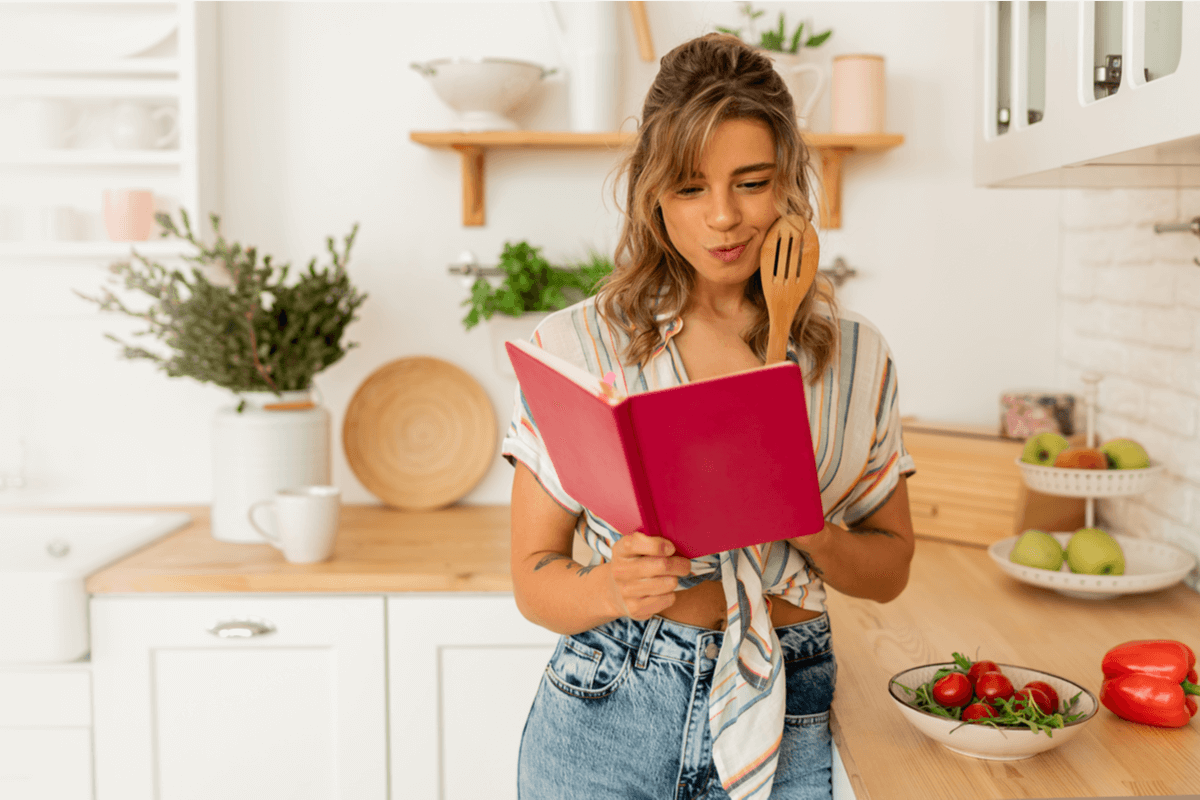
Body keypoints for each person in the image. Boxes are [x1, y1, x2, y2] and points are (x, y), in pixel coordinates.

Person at [501, 32, 916, 800]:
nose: (723, 218)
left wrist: (809, 525)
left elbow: (891, 567)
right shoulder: (576, 345)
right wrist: (609, 591)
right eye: (691, 188)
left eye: (752, 183)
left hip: (791, 707)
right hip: (608, 705)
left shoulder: (857, 358)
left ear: (790, 183)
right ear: (653, 195)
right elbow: (533, 576)